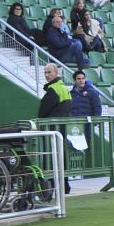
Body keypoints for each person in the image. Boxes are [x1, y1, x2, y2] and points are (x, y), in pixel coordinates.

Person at [38, 63, 72, 193]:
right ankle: (65, 186)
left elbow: (42, 113)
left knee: (51, 159)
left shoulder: (53, 90)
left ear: (56, 73)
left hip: (51, 130)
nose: (47, 75)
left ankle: (53, 186)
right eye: (45, 72)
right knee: (61, 157)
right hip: (61, 129)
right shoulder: (63, 88)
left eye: (49, 72)